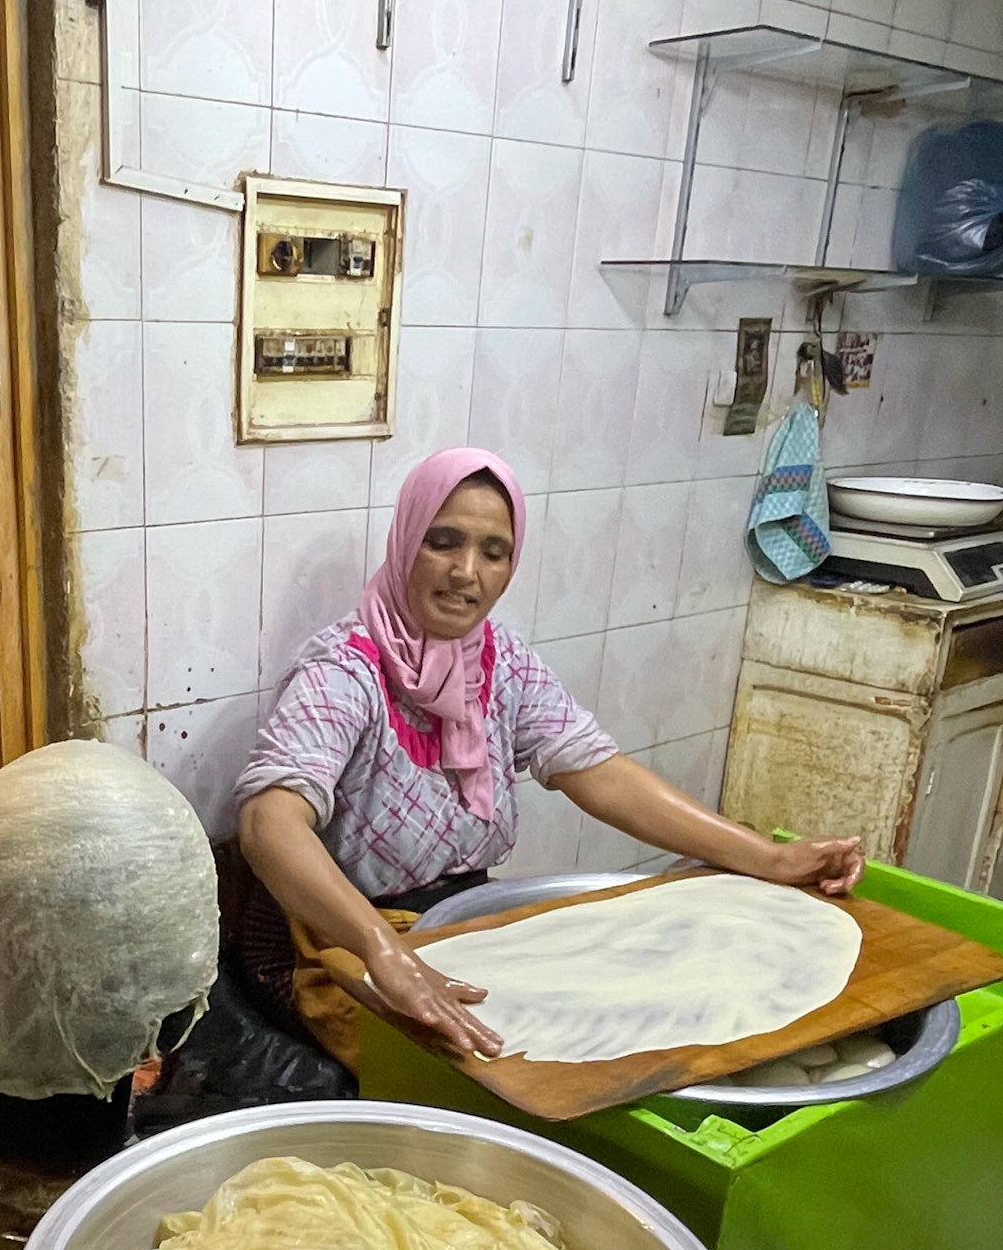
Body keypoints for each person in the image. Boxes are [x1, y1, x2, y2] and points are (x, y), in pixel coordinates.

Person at [234, 446, 864, 1070]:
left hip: (454, 926)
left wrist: (770, 858)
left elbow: (598, 773)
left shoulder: (498, 660)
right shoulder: (344, 670)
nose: (465, 573)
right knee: (489, 1071)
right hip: (331, 945)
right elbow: (269, 825)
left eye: (493, 551)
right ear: (405, 543)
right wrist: (382, 952)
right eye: (443, 541)